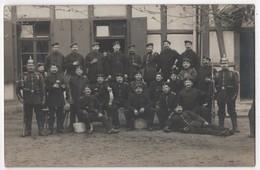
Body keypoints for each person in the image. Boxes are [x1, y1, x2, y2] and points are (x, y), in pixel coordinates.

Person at [16, 57, 46, 137]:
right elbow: (17, 89)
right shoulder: (23, 76)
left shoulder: (39, 75)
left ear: (34, 66)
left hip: (37, 99)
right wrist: (20, 98)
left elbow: (43, 88)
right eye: (29, 65)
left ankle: (41, 130)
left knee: (39, 115)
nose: (30, 66)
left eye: (32, 65)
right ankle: (28, 131)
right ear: (26, 66)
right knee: (28, 116)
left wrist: (43, 99)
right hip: (27, 99)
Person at [163, 106, 234, 137]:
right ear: (174, 110)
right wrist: (183, 129)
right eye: (177, 108)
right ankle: (222, 133)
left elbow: (196, 116)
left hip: (197, 123)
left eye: (180, 107)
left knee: (210, 125)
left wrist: (203, 121)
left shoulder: (187, 112)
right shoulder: (175, 118)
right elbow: (176, 128)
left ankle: (227, 129)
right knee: (206, 131)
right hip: (191, 128)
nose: (179, 109)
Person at [215, 57, 240, 132]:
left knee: (232, 111)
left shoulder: (232, 74)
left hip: (230, 96)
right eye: (222, 63)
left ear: (228, 64)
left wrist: (234, 96)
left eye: (225, 63)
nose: (224, 65)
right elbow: (215, 85)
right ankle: (221, 126)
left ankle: (235, 126)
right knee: (221, 111)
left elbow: (236, 87)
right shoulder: (217, 74)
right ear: (220, 64)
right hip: (221, 96)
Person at [45, 64, 66, 134]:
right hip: (52, 98)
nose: (54, 69)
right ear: (50, 69)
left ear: (57, 69)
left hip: (60, 98)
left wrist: (63, 87)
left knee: (60, 114)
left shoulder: (61, 77)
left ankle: (59, 127)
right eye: (53, 68)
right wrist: (52, 86)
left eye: (55, 68)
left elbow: (64, 87)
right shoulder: (47, 77)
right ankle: (50, 129)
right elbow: (45, 88)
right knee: (51, 114)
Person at [69, 66, 90, 131]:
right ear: (75, 71)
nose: (79, 71)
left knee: (81, 112)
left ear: (82, 71)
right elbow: (69, 89)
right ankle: (71, 127)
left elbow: (87, 88)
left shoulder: (85, 79)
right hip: (74, 98)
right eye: (77, 70)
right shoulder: (72, 79)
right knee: (72, 112)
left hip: (82, 99)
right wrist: (70, 98)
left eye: (80, 70)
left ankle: (82, 126)